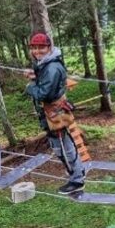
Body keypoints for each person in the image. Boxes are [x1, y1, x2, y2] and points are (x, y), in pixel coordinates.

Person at [24, 32, 85, 194]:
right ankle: (76, 172)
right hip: (53, 112)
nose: (37, 51)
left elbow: (44, 94)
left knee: (62, 147)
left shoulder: (51, 67)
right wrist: (35, 77)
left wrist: (30, 87)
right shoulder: (46, 63)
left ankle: (77, 179)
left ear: (49, 47)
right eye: (34, 48)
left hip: (54, 113)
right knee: (62, 144)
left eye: (41, 47)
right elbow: (46, 83)